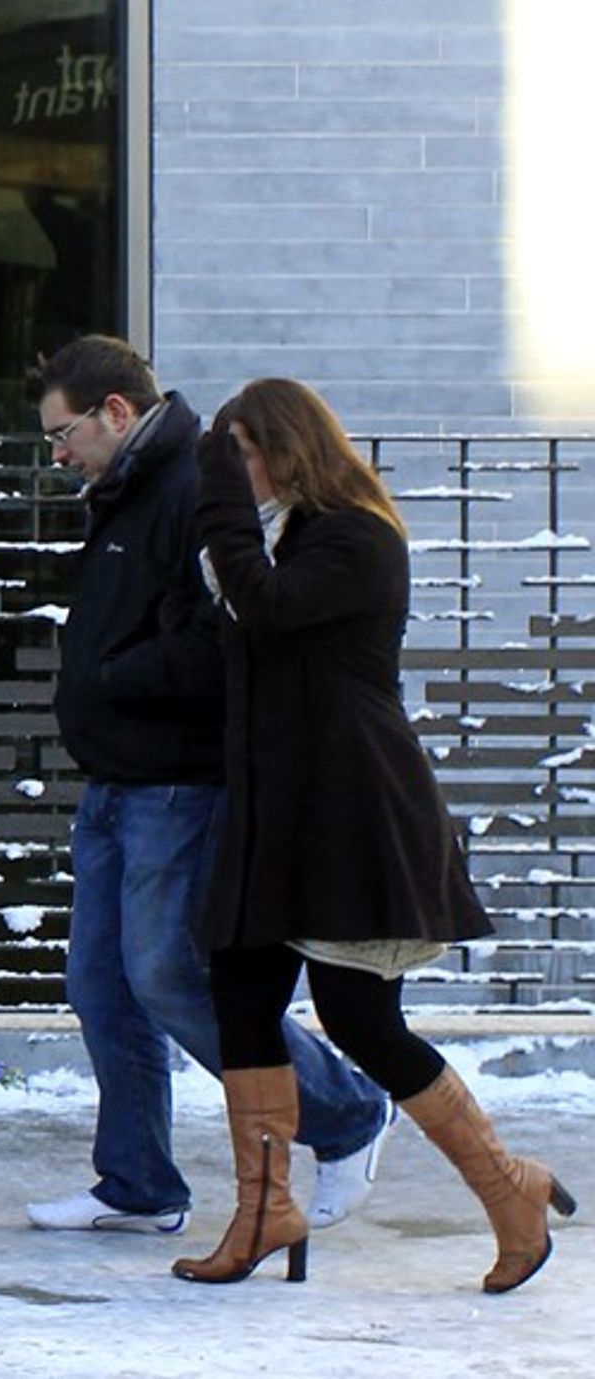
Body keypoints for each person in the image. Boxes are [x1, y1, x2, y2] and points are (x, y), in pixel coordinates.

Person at [173, 379, 573, 1292]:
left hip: (352, 808)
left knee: (360, 1017)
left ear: (285, 446)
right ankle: (265, 1207)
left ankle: (511, 1188)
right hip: (275, 809)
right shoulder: (267, 542)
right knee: (240, 992)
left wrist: (225, 512)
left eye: (242, 455)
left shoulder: (356, 537)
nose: (232, 479)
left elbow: (268, 609)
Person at [27, 336, 392, 1237]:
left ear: (116, 411)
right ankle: (140, 1180)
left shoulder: (195, 484)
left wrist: (111, 676)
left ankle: (346, 1111)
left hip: (175, 784)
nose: (57, 452)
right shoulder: (124, 489)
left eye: (62, 431)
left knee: (168, 976)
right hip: (115, 782)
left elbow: (217, 638)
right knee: (101, 986)